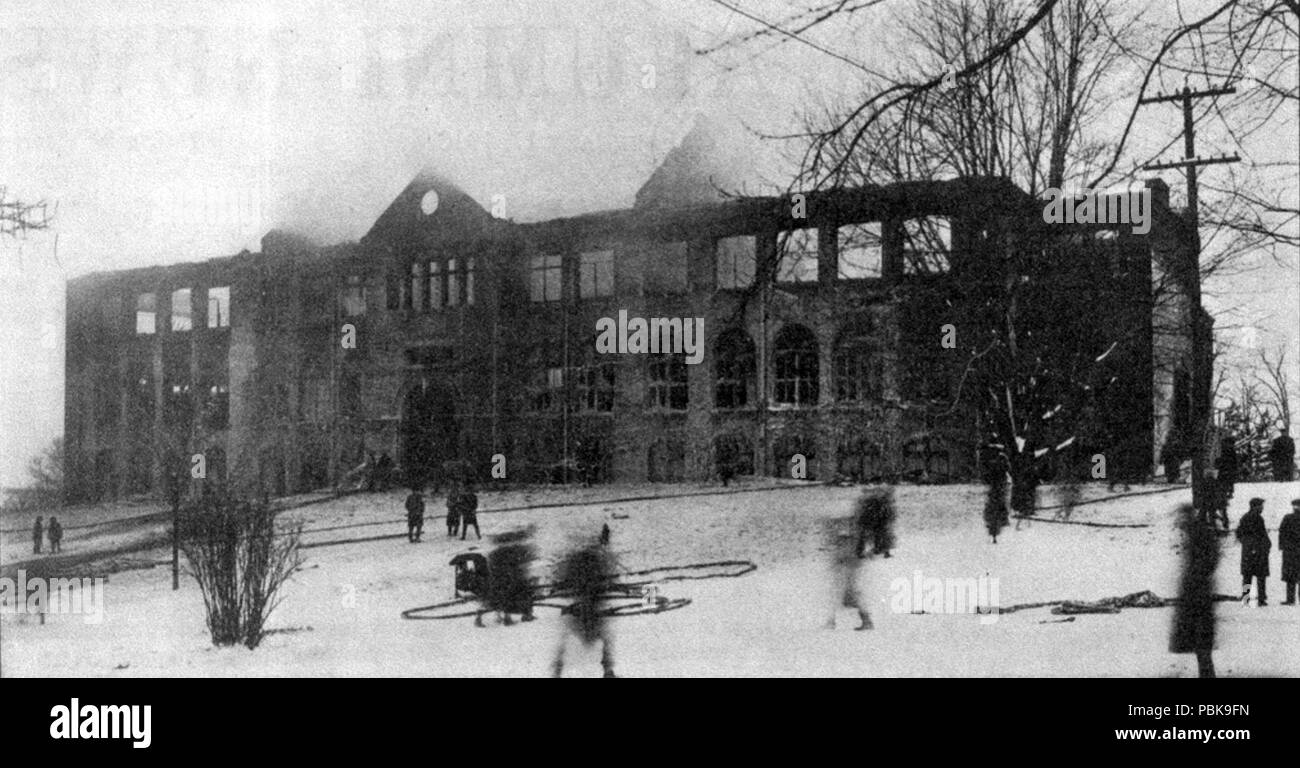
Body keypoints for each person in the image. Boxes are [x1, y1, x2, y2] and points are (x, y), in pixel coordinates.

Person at [551, 534, 618, 678]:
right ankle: (608, 671)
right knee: (605, 636)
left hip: (580, 609)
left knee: (566, 636)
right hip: (591, 609)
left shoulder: (575, 562)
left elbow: (564, 582)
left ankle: (557, 670)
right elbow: (607, 582)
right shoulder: (596, 561)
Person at [1170, 504, 1219, 678]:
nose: (1178, 523)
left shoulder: (1200, 533)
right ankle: (1206, 674)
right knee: (1200, 642)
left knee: (1201, 641)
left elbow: (1209, 559)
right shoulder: (1196, 533)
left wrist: (1196, 577)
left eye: (1181, 518)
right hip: (1195, 592)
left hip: (1198, 594)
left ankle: (1207, 675)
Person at [480, 526, 537, 627]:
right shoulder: (511, 552)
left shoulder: (495, 553)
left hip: (500, 580)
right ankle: (525, 615)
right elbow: (517, 566)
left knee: (503, 598)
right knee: (523, 593)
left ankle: (507, 616)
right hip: (509, 580)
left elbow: (492, 567)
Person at [823, 515, 873, 630]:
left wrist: (838, 563)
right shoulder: (852, 537)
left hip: (846, 569)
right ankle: (865, 620)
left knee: (841, 593)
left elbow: (846, 555)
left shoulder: (847, 539)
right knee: (846, 594)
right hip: (848, 568)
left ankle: (832, 622)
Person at [1235, 497, 1271, 606]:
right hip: (1258, 551)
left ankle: (1245, 598)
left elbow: (1238, 533)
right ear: (1255, 506)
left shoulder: (1245, 517)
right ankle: (1261, 598)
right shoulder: (1258, 518)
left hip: (1247, 551)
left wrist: (1246, 543)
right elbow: (1261, 534)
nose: (1262, 508)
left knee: (1247, 575)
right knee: (1261, 576)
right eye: (1261, 506)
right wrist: (1266, 545)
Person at [854, 487, 896, 558]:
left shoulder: (877, 501)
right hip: (872, 519)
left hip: (873, 519)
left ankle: (879, 550)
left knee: (878, 535)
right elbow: (888, 514)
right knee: (882, 534)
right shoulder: (882, 502)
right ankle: (881, 551)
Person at [1279, 499, 1300, 606]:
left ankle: (1290, 599)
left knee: (1291, 576)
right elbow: (1282, 533)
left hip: (1290, 552)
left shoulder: (1288, 518)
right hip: (1291, 552)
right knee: (1292, 576)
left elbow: (1282, 533)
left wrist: (1283, 546)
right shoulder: (1288, 518)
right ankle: (1290, 599)